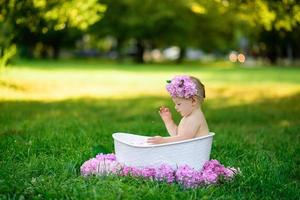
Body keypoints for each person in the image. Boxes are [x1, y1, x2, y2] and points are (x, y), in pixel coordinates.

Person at [147, 75, 209, 144]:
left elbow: (183, 139)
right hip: (189, 151)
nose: (175, 107)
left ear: (193, 101)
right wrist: (168, 120)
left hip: (196, 153)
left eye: (179, 104)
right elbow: (177, 135)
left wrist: (164, 140)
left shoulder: (195, 118)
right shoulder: (188, 117)